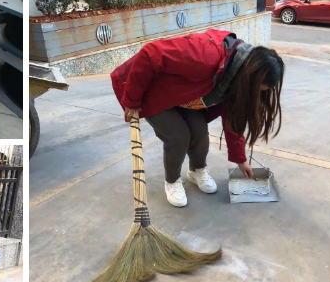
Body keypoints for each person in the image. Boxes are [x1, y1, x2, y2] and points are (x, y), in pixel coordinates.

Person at [111, 29, 284, 207]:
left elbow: (233, 119)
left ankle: (196, 170)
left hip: (183, 96)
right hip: (152, 90)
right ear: (251, 75)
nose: (255, 95)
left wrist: (241, 160)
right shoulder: (205, 55)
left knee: (199, 132)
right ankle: (172, 181)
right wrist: (132, 99)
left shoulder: (236, 76)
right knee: (178, 136)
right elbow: (150, 53)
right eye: (257, 89)